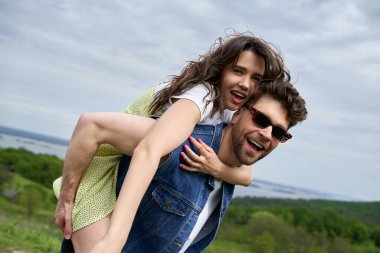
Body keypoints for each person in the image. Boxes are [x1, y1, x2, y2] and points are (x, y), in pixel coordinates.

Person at [54, 33, 289, 253]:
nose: (246, 84)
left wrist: (216, 167)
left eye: (256, 79)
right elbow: (147, 150)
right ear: (221, 71)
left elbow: (247, 176)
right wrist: (71, 200)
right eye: (238, 71)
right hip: (99, 172)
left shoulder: (230, 111)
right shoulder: (201, 99)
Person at [102, 80, 308, 252]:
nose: (266, 134)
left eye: (279, 133)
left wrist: (220, 170)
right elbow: (98, 131)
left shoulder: (229, 175)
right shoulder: (179, 141)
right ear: (236, 115)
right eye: (260, 119)